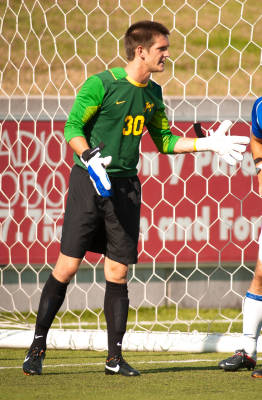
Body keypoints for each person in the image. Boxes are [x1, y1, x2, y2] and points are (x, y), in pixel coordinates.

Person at [22, 20, 250, 377]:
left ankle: (114, 358)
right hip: (89, 181)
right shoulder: (101, 84)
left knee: (118, 271)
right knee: (67, 267)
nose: (167, 55)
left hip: (125, 187)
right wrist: (89, 157)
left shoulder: (153, 93)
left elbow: (164, 141)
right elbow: (71, 129)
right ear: (140, 51)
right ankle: (36, 348)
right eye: (162, 49)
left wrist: (207, 144)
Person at [218, 97, 262, 378]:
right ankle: (248, 351)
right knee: (261, 276)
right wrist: (260, 166)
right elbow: (256, 138)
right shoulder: (260, 108)